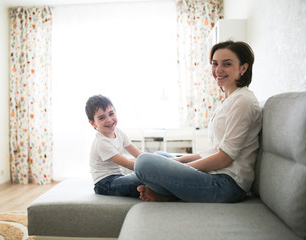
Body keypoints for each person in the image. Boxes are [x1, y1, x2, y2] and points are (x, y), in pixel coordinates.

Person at [135, 41, 262, 203]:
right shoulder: (228, 100)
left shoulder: (243, 101)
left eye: (227, 64)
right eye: (215, 64)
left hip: (227, 184)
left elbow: (225, 158)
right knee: (160, 156)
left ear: (243, 68)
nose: (218, 70)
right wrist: (176, 162)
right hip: (216, 174)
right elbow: (213, 151)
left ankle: (111, 185)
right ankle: (165, 192)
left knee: (144, 162)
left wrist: (179, 169)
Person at [85, 94, 143, 197]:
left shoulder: (119, 133)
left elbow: (139, 155)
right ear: (93, 123)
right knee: (139, 181)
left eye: (111, 114)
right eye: (102, 117)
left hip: (118, 177)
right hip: (104, 183)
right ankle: (150, 190)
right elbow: (128, 164)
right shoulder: (101, 142)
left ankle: (149, 189)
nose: (109, 119)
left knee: (156, 158)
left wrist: (154, 161)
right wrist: (151, 171)